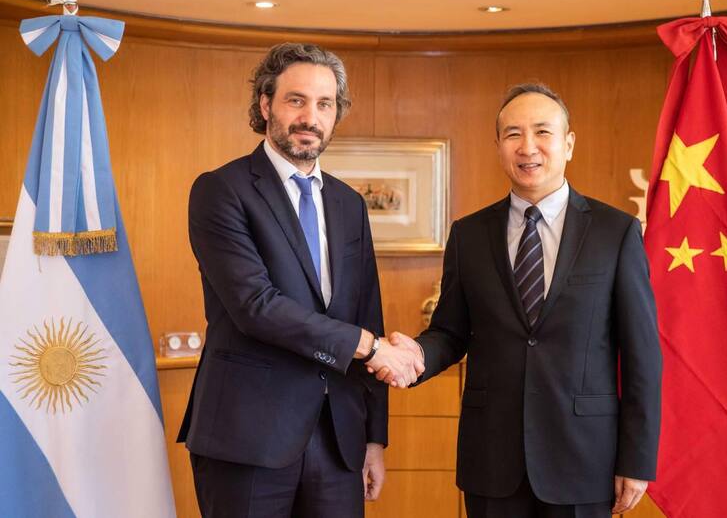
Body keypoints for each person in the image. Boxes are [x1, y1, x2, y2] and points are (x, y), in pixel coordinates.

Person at [381, 83, 662, 517]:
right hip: (492, 458)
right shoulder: (469, 235)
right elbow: (451, 332)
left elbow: (642, 354)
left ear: (568, 143)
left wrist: (637, 459)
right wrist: (416, 353)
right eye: (513, 134)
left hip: (585, 459)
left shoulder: (616, 232)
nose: (527, 146)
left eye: (542, 132)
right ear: (498, 147)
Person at [177, 42, 422, 518]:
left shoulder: (350, 205)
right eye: (296, 100)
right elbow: (256, 306)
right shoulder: (220, 191)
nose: (311, 116)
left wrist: (374, 437)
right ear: (266, 103)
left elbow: (367, 312)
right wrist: (370, 348)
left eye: (325, 104)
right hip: (247, 439)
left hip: (338, 441)